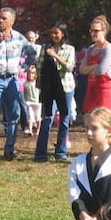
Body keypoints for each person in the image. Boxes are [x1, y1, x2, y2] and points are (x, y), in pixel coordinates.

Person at [0, 7, 36, 161]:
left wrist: (23, 68)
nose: (0, 20)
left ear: (12, 21)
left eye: (4, 18)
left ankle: (9, 148)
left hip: (12, 79)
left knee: (13, 115)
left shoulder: (19, 38)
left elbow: (32, 54)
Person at [34, 21, 76, 161]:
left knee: (64, 119)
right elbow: (39, 65)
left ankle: (61, 152)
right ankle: (40, 153)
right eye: (51, 33)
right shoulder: (45, 48)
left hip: (65, 87)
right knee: (47, 118)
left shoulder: (69, 49)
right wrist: (39, 80)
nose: (53, 35)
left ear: (63, 34)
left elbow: (69, 67)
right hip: (49, 88)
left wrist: (56, 56)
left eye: (56, 33)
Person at [80, 15, 111, 113]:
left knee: (104, 119)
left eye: (96, 31)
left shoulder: (108, 48)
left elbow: (101, 71)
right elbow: (81, 70)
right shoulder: (91, 49)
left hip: (104, 89)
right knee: (90, 118)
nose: (93, 33)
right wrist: (94, 66)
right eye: (91, 31)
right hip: (91, 88)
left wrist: (89, 68)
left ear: (104, 31)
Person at [24, 65, 41, 135]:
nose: (31, 75)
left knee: (38, 117)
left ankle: (38, 129)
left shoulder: (38, 83)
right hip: (29, 102)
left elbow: (40, 92)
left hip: (37, 103)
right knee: (30, 117)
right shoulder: (26, 84)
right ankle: (30, 130)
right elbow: (25, 93)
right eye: (29, 73)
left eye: (33, 73)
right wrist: (26, 100)